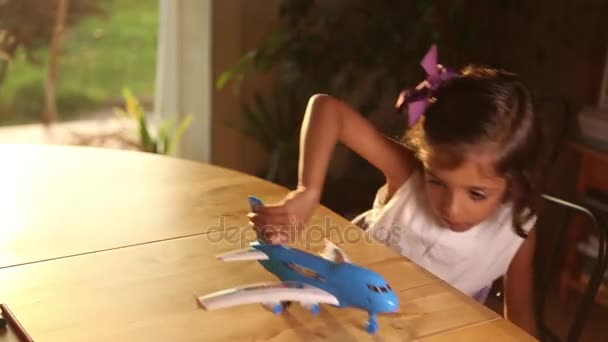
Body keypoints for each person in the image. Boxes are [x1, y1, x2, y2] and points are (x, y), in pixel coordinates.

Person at [247, 45, 543, 336]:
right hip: (339, 316)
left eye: (476, 194)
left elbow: (519, 319)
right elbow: (327, 109)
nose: (451, 208)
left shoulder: (518, 229)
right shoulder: (409, 175)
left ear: (515, 183)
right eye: (437, 181)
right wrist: (307, 191)